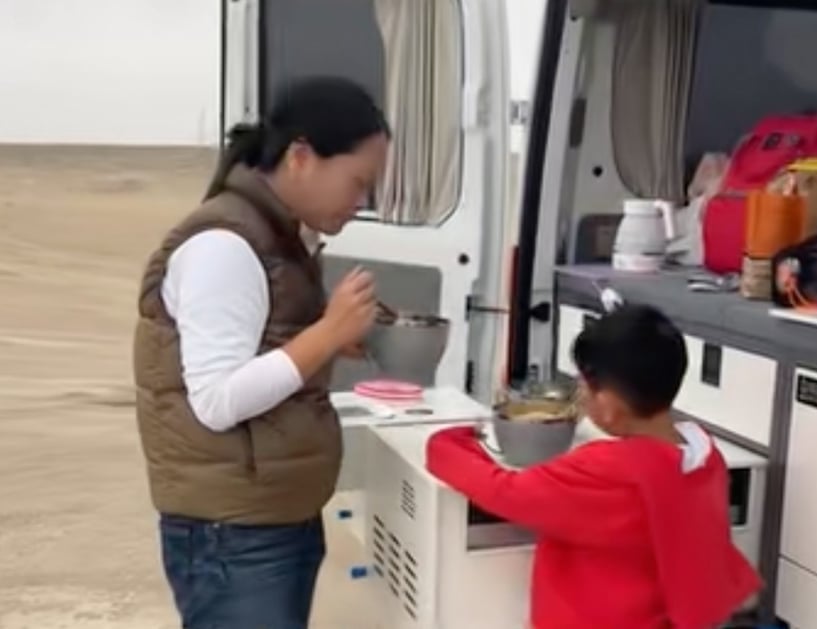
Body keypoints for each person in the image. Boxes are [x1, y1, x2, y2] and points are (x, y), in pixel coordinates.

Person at [133, 76, 389, 629]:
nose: (361, 202)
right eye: (358, 182)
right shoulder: (224, 247)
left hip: (269, 518)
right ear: (302, 156)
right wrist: (324, 333)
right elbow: (217, 401)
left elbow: (264, 351)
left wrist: (327, 343)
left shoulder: (277, 237)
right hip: (232, 536)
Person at [426, 304, 762, 629]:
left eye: (584, 385)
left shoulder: (613, 470)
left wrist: (450, 442)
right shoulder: (704, 457)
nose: (581, 395)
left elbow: (503, 490)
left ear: (609, 405)